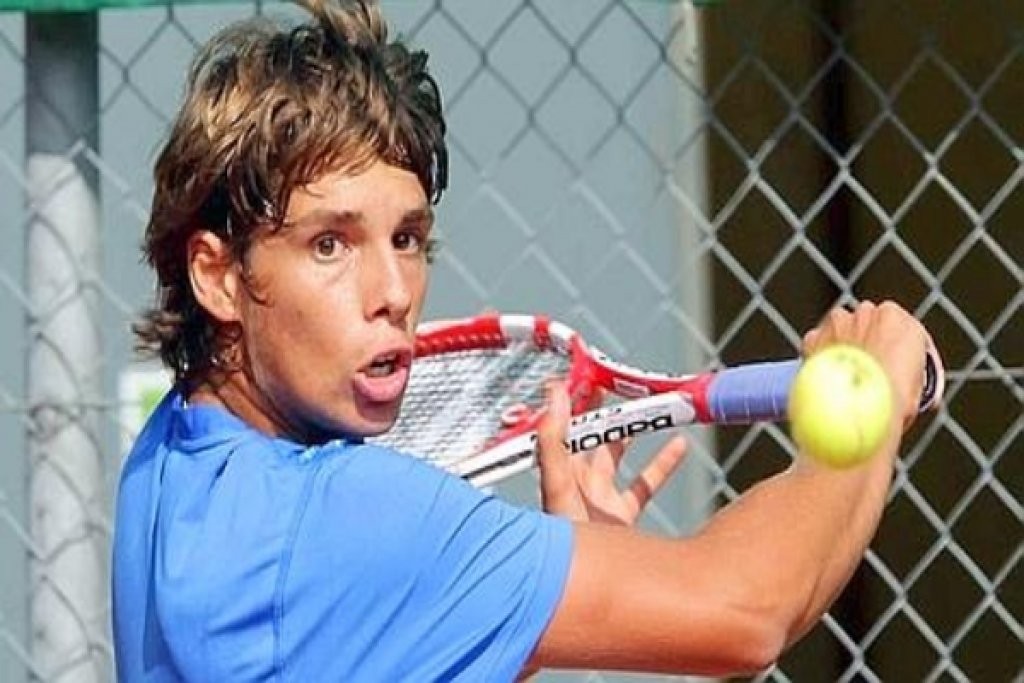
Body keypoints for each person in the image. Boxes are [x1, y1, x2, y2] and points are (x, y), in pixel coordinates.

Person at [111, 0, 939, 680]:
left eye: (407, 238)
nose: (393, 293)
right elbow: (746, 610)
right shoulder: (344, 514)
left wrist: (530, 600)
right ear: (217, 274)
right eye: (330, 243)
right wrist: (868, 404)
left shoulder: (170, 462)